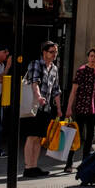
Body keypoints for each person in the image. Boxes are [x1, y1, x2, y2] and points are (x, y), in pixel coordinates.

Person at [64, 47, 95, 171]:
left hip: (92, 110)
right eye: (90, 56)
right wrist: (69, 108)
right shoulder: (81, 70)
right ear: (88, 57)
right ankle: (69, 164)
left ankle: (85, 163)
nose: (92, 59)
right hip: (80, 109)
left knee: (90, 137)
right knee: (76, 137)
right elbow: (73, 91)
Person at [21, 41, 62, 178]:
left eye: (56, 52)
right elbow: (34, 82)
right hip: (34, 106)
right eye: (52, 51)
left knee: (39, 137)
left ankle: (34, 166)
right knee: (31, 136)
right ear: (44, 52)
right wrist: (38, 97)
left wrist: (59, 108)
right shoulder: (36, 64)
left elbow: (56, 89)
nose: (54, 54)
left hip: (46, 107)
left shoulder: (54, 68)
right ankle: (28, 167)